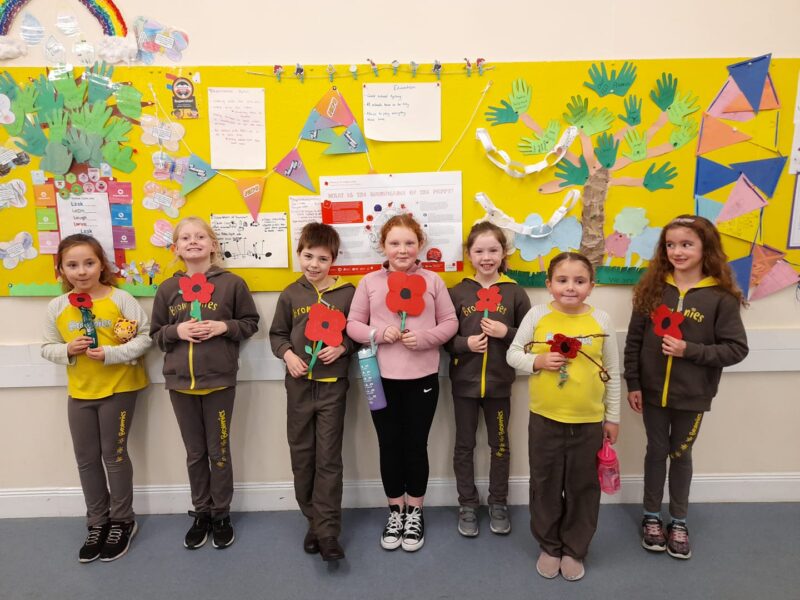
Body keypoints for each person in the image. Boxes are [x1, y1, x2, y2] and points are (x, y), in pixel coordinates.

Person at [624, 214, 748, 560]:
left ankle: (678, 520)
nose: (677, 251)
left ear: (705, 247)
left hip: (693, 396)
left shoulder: (721, 297)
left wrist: (688, 350)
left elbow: (736, 348)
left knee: (680, 455)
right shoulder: (652, 288)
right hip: (650, 392)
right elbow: (634, 341)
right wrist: (633, 382)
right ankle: (651, 516)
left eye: (686, 244)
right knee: (655, 451)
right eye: (671, 245)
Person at [346, 213, 458, 552]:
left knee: (415, 445)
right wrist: (378, 334)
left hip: (421, 377)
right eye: (394, 243)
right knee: (388, 444)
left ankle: (415, 511)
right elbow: (352, 324)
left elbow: (450, 322)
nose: (402, 249)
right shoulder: (369, 283)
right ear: (383, 246)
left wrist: (424, 339)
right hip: (378, 378)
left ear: (420, 244)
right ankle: (395, 510)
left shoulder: (433, 282)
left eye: (409, 242)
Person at [507, 252, 620, 581]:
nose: (570, 287)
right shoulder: (537, 314)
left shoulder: (601, 320)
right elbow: (514, 353)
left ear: (591, 286)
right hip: (545, 419)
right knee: (545, 484)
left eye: (579, 281)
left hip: (588, 423)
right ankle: (550, 545)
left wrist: (612, 418)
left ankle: (575, 548)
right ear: (549, 284)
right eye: (562, 280)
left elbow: (612, 371)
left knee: (582, 487)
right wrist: (538, 362)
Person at [150, 216, 259, 550]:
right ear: (176, 248)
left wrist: (223, 327)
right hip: (180, 384)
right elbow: (156, 334)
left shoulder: (232, 283)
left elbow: (250, 322)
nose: (193, 241)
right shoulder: (168, 288)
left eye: (200, 236)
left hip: (219, 382)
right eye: (186, 237)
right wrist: (177, 331)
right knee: (195, 453)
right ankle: (202, 512)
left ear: (213, 244)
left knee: (219, 452)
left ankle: (221, 513)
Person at [42, 234, 152, 563]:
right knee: (86, 458)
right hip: (80, 392)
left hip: (120, 388)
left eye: (89, 263)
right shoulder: (57, 306)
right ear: (60, 269)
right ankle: (97, 522)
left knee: (114, 455)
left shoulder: (121, 298)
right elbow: (47, 346)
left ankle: (122, 520)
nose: (81, 271)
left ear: (101, 264)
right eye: (72, 265)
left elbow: (145, 337)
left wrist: (112, 354)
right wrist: (67, 350)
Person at [269, 223, 356, 562]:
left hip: (333, 389)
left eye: (323, 258)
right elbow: (277, 336)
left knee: (329, 460)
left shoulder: (348, 294)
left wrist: (342, 348)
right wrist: (289, 355)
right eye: (308, 256)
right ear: (299, 255)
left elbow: (359, 334)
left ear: (334, 260)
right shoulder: (291, 294)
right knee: (303, 457)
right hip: (299, 388)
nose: (314, 264)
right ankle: (313, 522)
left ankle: (329, 531)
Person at [445, 221, 531, 537]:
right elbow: (444, 338)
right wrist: (465, 344)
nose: (486, 257)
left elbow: (529, 339)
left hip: (499, 386)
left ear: (503, 252)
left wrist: (504, 333)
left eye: (493, 250)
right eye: (479, 250)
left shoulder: (515, 293)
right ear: (469, 254)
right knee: (464, 445)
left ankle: (498, 502)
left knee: (499, 445)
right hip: (463, 386)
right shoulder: (456, 292)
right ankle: (467, 503)